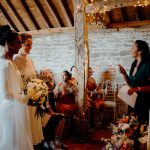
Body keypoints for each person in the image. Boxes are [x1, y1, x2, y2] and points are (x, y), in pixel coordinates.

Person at [0, 25, 33, 150]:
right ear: (8, 43)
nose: (20, 46)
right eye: (18, 43)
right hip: (9, 110)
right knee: (12, 143)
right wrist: (25, 100)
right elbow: (5, 94)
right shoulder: (5, 64)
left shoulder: (11, 60)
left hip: (16, 107)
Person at [14, 33, 44, 148]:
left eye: (31, 45)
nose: (30, 48)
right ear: (20, 44)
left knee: (33, 129)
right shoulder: (15, 60)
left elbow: (34, 78)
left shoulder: (30, 59)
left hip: (33, 98)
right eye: (27, 45)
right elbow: (16, 81)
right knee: (26, 131)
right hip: (23, 99)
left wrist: (39, 87)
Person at [118, 40, 150, 123]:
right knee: (131, 125)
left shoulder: (147, 65)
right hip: (133, 100)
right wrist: (124, 73)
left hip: (144, 101)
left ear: (140, 51)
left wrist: (137, 89)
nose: (130, 50)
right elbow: (131, 83)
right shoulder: (134, 64)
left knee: (141, 125)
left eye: (132, 48)